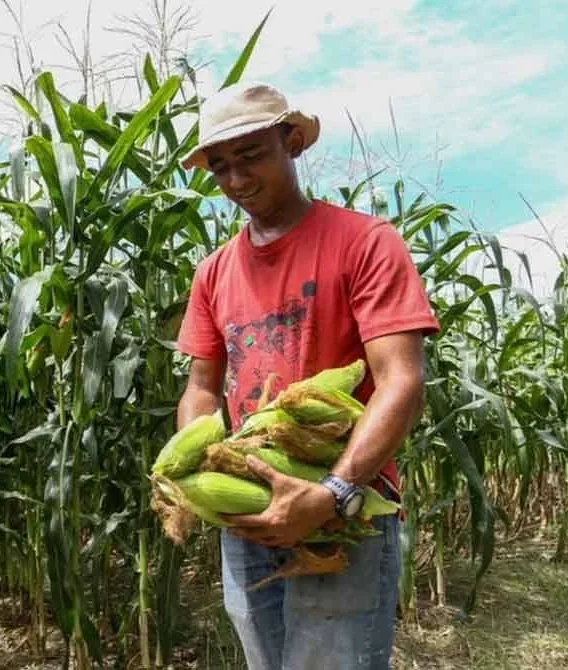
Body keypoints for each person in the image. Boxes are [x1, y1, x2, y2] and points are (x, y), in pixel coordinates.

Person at [174, 81, 441, 669]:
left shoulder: (366, 243)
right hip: (245, 507)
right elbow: (201, 387)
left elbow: (402, 381)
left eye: (251, 156)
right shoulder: (213, 273)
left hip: (341, 503)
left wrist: (332, 492)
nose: (237, 180)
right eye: (220, 168)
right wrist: (195, 462)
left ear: (291, 141)